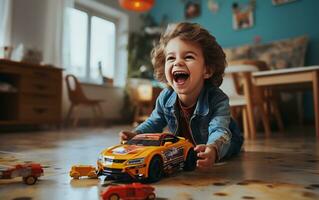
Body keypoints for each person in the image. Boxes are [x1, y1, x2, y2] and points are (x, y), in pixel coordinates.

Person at [120, 22, 243, 171]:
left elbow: (220, 130)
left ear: (207, 70)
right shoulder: (165, 97)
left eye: (188, 57)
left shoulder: (217, 99)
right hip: (188, 147)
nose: (178, 62)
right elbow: (154, 122)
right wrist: (136, 134)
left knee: (228, 143)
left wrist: (213, 149)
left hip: (225, 139)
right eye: (171, 58)